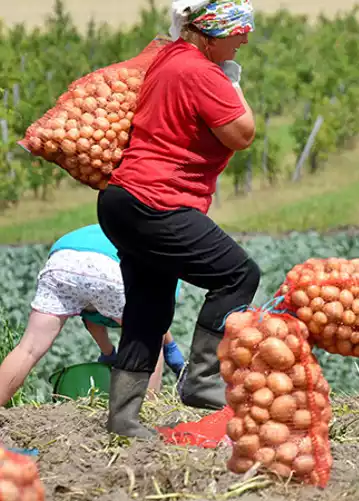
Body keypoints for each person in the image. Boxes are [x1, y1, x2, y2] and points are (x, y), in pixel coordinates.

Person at [95, 0, 260, 438]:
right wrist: (234, 86)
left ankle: (124, 417)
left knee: (150, 307)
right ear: (210, 32)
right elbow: (242, 134)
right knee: (238, 274)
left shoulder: (170, 57)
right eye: (239, 30)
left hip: (121, 199)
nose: (246, 37)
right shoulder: (201, 72)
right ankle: (202, 380)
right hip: (156, 200)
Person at [0, 224, 187, 407]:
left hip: (61, 262)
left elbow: (92, 315)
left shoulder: (122, 226)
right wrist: (171, 352)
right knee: (149, 341)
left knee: (28, 348)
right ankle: (147, 413)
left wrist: (108, 354)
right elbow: (157, 319)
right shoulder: (166, 255)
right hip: (108, 267)